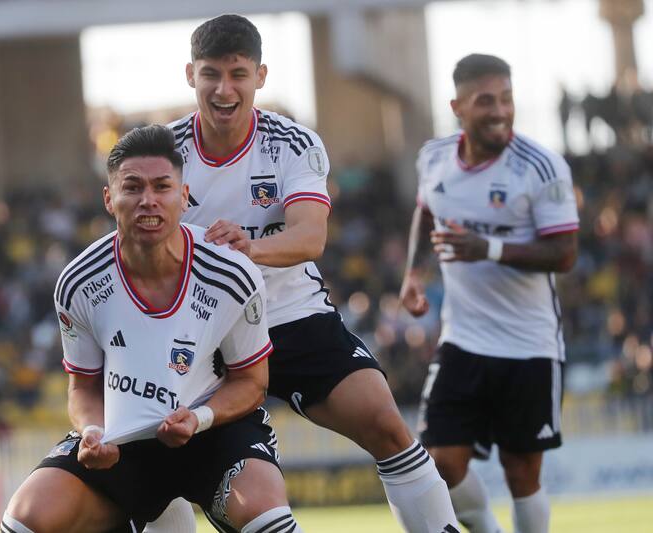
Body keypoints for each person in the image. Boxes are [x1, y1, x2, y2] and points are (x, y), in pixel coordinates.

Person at [157, 14, 458, 533]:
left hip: (288, 315)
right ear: (190, 75)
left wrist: (248, 246)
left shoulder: (291, 143)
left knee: (385, 423)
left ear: (260, 75)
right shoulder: (161, 151)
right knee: (158, 453)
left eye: (237, 73)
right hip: (199, 334)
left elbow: (309, 237)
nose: (224, 89)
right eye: (211, 74)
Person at [2, 125, 304, 533]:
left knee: (268, 518)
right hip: (124, 442)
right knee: (23, 521)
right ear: (109, 198)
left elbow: (252, 382)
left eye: (162, 187)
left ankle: (169, 509)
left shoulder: (231, 272)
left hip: (213, 431)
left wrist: (198, 419)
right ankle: (158, 512)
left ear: (183, 196)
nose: (148, 201)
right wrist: (92, 432)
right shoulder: (79, 282)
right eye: (133, 187)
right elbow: (83, 387)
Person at [399, 54, 579, 533]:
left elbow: (564, 253)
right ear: (458, 106)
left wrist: (489, 248)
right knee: (439, 463)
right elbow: (426, 210)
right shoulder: (434, 157)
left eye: (506, 98)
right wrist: (414, 273)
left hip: (530, 344)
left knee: (522, 472)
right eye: (485, 101)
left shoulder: (541, 166)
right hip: (463, 339)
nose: (499, 110)